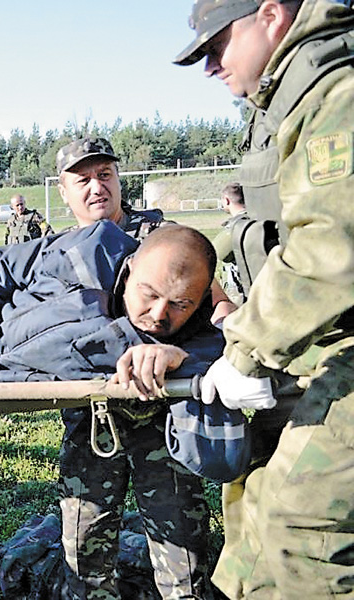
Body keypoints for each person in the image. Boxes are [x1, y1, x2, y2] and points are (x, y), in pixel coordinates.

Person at [175, 0, 354, 597]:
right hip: (308, 344)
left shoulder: (338, 89)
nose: (210, 68)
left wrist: (247, 350)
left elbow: (331, 247)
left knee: (304, 527)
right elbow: (274, 226)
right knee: (248, 528)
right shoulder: (286, 99)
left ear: (271, 15)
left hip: (336, 344)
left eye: (218, 46)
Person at [0, 221, 222, 599]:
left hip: (160, 429)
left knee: (183, 560)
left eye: (180, 304)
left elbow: (235, 352)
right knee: (85, 551)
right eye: (148, 294)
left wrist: (181, 356)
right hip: (92, 424)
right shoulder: (83, 253)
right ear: (132, 265)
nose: (158, 314)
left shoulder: (207, 319)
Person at [56, 136, 237, 323]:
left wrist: (222, 331)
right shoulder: (56, 253)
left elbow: (219, 303)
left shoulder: (163, 238)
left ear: (118, 179)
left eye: (104, 175)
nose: (97, 188)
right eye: (83, 180)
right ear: (63, 192)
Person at [211, 183, 248, 305]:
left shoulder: (237, 226)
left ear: (226, 201)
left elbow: (218, 252)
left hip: (243, 292)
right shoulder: (259, 218)